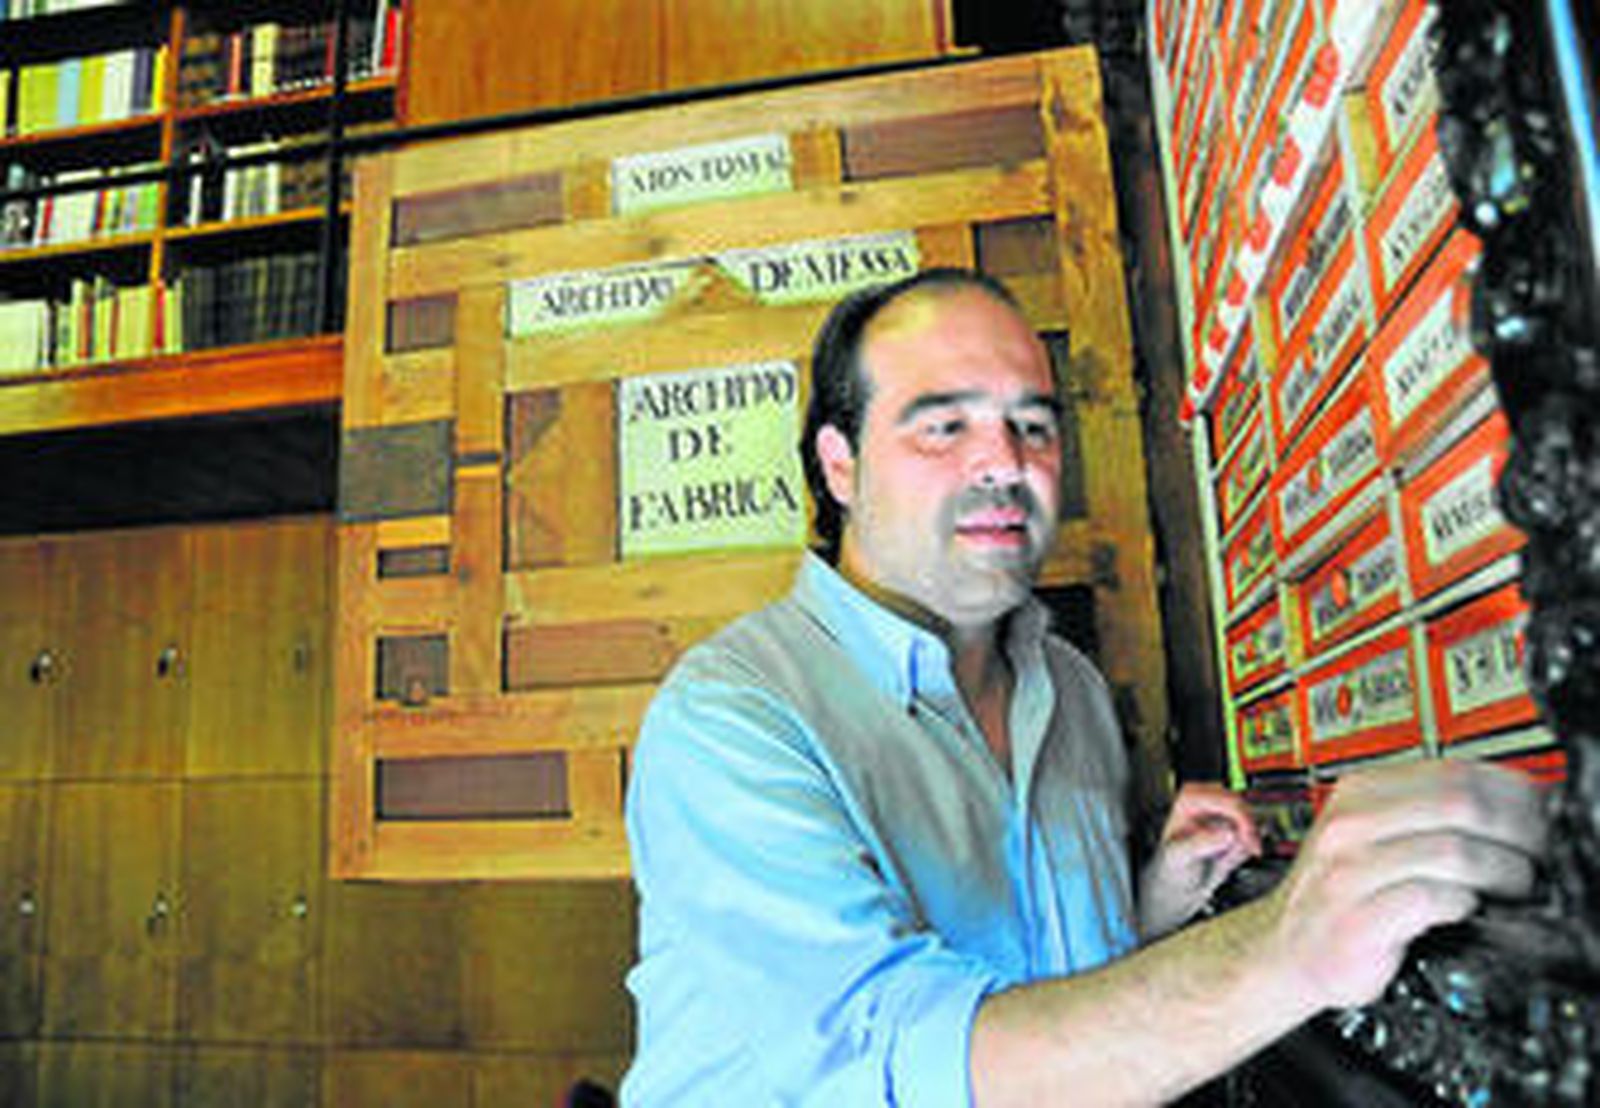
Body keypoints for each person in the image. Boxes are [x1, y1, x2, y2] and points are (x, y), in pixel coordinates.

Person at [621, 268, 1548, 1106]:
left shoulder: (1068, 687)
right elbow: (883, 1064)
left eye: (1032, 424)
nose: (1005, 463)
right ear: (840, 465)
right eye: (944, 425)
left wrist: (1146, 910)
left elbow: (1032, 982)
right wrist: (1286, 949)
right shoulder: (732, 719)